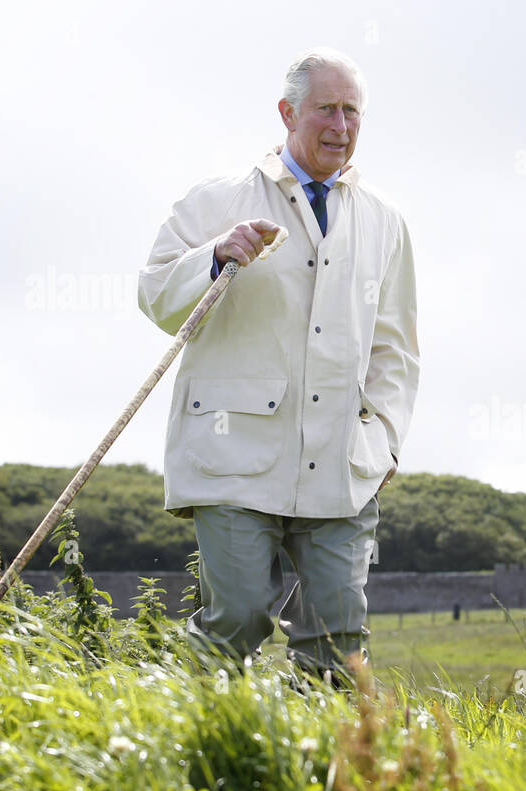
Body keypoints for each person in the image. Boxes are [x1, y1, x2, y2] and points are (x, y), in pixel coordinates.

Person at [137, 48, 419, 686]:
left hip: (343, 463)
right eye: (327, 109)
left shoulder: (386, 220)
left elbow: (396, 347)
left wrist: (384, 438)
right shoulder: (217, 200)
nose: (341, 126)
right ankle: (194, 755)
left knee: (340, 641)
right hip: (233, 456)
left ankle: (319, 775)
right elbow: (153, 294)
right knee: (234, 619)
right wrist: (215, 255)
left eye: (352, 112)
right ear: (289, 112)